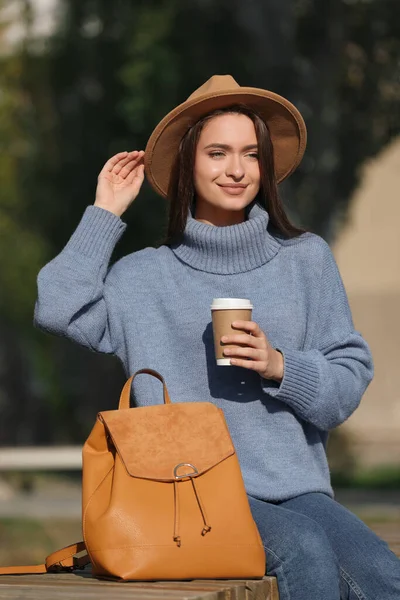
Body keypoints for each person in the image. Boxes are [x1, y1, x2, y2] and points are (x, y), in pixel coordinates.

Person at [34, 75, 400, 599]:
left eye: (251, 154)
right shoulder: (142, 278)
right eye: (218, 153)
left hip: (298, 491)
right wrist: (105, 212)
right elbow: (56, 307)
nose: (236, 169)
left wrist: (280, 366)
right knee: (304, 551)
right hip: (188, 491)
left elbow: (346, 383)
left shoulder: (306, 260)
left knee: (383, 575)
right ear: (188, 163)